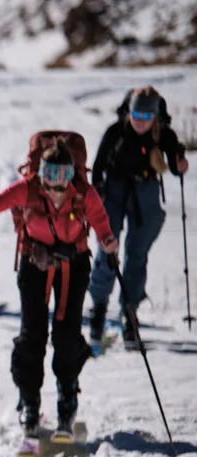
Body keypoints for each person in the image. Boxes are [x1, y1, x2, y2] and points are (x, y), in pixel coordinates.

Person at [0, 141, 119, 449]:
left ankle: (67, 396)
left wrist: (107, 240)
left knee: (66, 334)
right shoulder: (27, 189)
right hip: (34, 265)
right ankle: (29, 402)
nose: (53, 190)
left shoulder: (83, 193)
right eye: (48, 181)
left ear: (69, 177)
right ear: (40, 175)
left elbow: (100, 220)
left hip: (73, 266)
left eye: (60, 182)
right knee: (32, 334)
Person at [88, 87, 189, 349]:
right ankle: (99, 308)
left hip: (146, 193)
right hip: (114, 191)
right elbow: (98, 165)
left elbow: (175, 164)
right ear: (128, 112)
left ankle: (130, 312)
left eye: (146, 116)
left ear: (155, 116)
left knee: (137, 254)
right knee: (107, 248)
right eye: (136, 114)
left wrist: (179, 165)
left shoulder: (163, 134)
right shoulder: (116, 131)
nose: (140, 121)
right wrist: (97, 192)